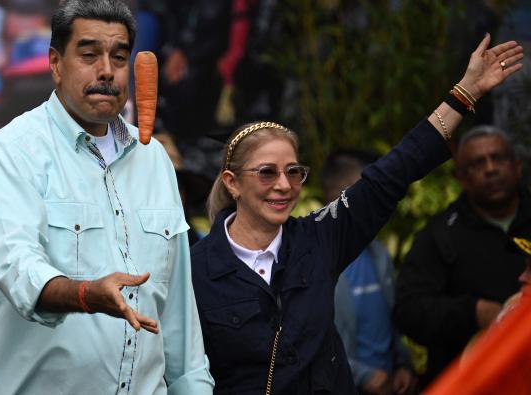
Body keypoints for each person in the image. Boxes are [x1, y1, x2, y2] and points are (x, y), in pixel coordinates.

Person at [190, 34, 523, 394]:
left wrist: (464, 93)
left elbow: (391, 174)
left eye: (294, 172)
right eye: (267, 172)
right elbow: (181, 370)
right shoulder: (195, 268)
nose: (284, 185)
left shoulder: (319, 238)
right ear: (232, 183)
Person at [0, 0, 213, 394]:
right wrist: (85, 294)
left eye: (119, 57)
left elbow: (179, 316)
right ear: (55, 64)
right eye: (88, 55)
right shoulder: (10, 152)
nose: (106, 71)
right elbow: (17, 268)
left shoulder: (155, 160)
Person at [393, 125, 531, 387]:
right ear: (461, 178)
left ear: (517, 166)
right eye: (478, 164)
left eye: (498, 158)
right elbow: (408, 311)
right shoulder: (439, 235)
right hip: (468, 380)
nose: (490, 169)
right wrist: (472, 312)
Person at [322, 150, 416, 395]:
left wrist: (403, 364)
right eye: (367, 192)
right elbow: (313, 341)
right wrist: (363, 376)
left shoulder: (379, 254)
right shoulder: (319, 262)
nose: (377, 201)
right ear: (338, 195)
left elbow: (392, 320)